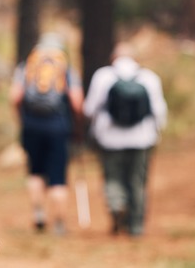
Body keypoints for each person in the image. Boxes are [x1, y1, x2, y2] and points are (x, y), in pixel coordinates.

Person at [82, 42, 167, 237]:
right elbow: (159, 111)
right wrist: (157, 133)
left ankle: (116, 205)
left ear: (114, 58)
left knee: (112, 177)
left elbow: (89, 109)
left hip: (109, 139)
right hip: (142, 139)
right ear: (135, 58)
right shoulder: (149, 78)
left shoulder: (103, 76)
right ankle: (136, 226)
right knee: (137, 181)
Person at [9, 33, 84, 236]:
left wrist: (22, 120)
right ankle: (59, 224)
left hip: (31, 126)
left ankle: (39, 215)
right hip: (58, 127)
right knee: (58, 177)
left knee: (35, 172)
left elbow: (15, 97)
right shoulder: (66, 69)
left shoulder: (27, 67)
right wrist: (77, 125)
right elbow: (77, 102)